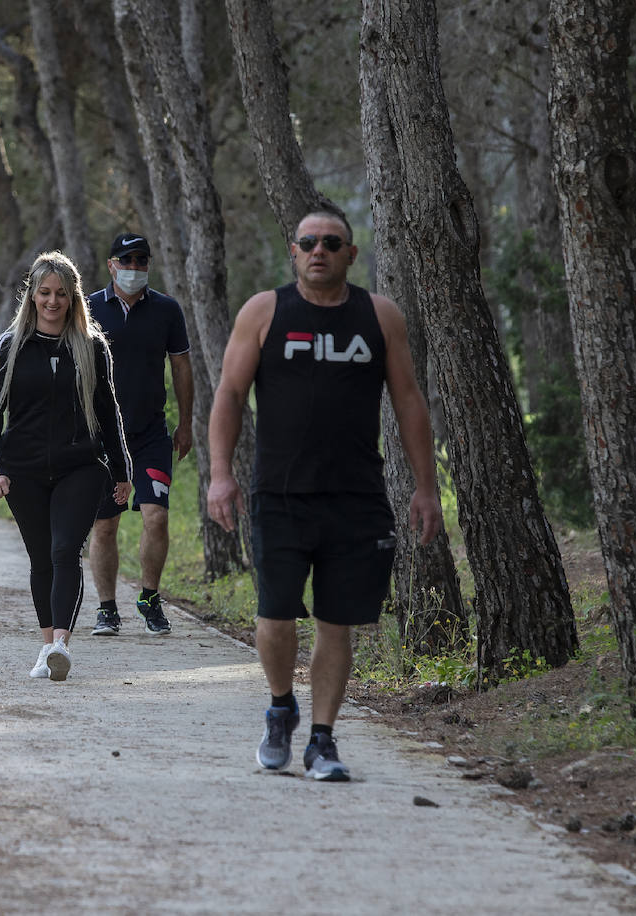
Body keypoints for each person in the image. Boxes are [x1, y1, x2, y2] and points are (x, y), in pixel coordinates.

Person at [206, 211, 442, 780]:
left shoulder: (378, 316)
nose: (319, 251)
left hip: (356, 497)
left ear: (350, 254)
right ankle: (281, 705)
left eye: (331, 243)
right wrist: (220, 473)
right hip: (281, 493)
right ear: (294, 251)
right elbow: (232, 394)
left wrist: (426, 486)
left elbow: (409, 401)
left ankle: (322, 740)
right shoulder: (265, 312)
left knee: (338, 623)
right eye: (309, 243)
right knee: (274, 616)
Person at [0, 251, 132, 682]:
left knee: (66, 551)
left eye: (61, 294)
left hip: (79, 466)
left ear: (73, 297)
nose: (52, 301)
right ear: (32, 296)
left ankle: (61, 644)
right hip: (21, 470)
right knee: (40, 556)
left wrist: (122, 472)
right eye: (44, 293)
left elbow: (109, 411)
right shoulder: (10, 346)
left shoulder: (91, 347)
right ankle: (46, 646)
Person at [86, 233, 194, 637]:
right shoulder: (89, 308)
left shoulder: (167, 310)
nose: (134, 268)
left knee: (157, 516)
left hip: (151, 435)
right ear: (111, 264)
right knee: (105, 527)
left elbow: (181, 368)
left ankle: (149, 598)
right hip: (103, 439)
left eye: (141, 261)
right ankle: (107, 609)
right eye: (126, 260)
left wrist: (185, 423)